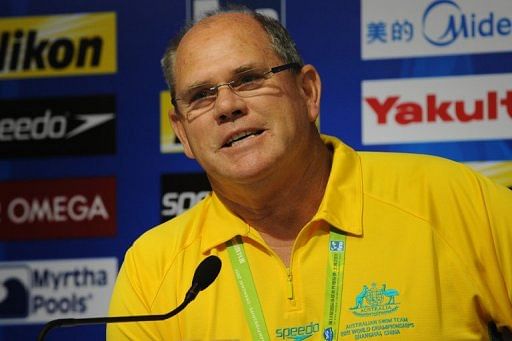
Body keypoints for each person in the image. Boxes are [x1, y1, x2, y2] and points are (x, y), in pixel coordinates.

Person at [108, 8, 512, 340]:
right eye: (201, 95)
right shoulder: (153, 268)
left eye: (248, 79)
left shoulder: (450, 199)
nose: (226, 106)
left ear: (307, 92)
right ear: (183, 133)